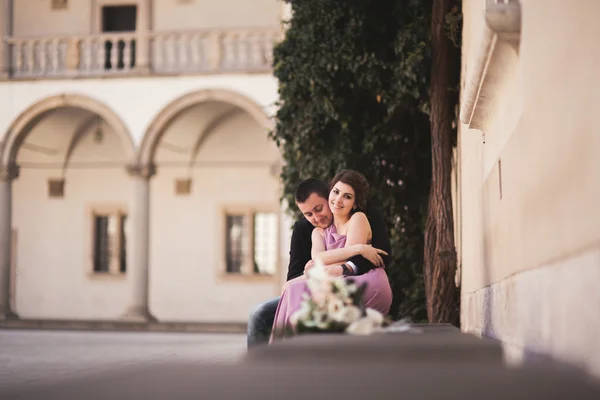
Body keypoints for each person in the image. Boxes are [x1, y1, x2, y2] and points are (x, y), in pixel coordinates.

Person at [246, 173, 391, 348]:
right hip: (316, 285)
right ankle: (273, 360)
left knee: (294, 294)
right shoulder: (309, 230)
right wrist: (308, 273)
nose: (316, 217)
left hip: (349, 282)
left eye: (318, 208)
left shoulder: (360, 216)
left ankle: (295, 350)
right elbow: (305, 267)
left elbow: (380, 254)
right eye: (308, 214)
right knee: (260, 312)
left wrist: (335, 266)